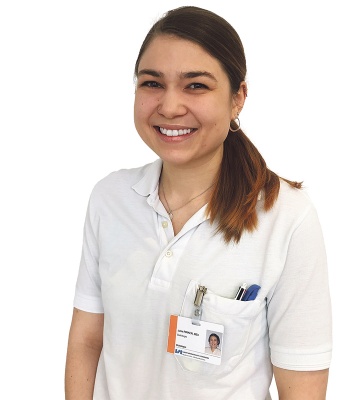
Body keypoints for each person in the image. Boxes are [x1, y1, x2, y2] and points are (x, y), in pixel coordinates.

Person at [65, 6, 332, 400]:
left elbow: (302, 388)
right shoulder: (110, 199)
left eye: (195, 85)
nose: (170, 106)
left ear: (238, 98)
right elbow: (88, 340)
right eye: (152, 83)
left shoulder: (286, 218)